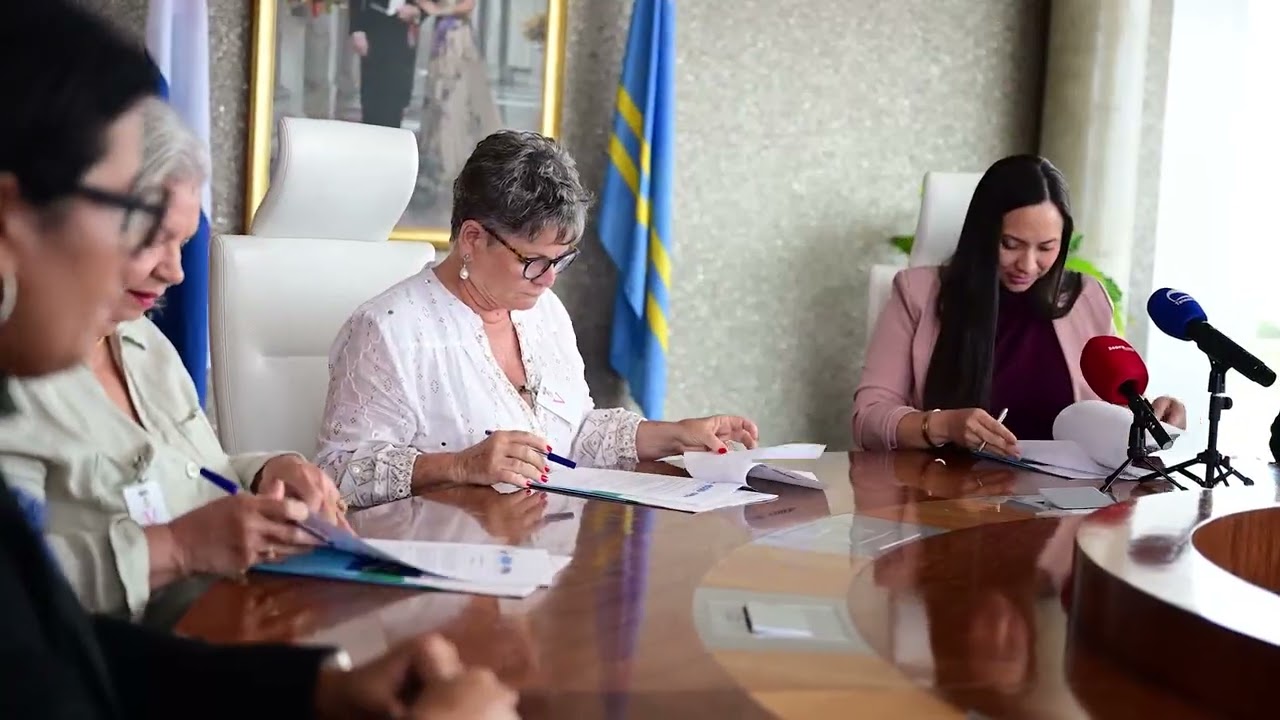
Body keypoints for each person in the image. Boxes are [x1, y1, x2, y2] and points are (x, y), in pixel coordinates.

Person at [0, 2, 516, 717]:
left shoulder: (141, 344)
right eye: (134, 221)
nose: (169, 271)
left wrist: (320, 690)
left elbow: (60, 646)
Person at [0, 99, 353, 623]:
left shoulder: (143, 340)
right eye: (153, 240)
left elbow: (197, 475)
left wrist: (267, 473)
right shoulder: (18, 370)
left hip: (248, 613)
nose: (175, 272)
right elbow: (17, 598)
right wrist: (176, 548)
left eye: (183, 244)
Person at [316, 130, 759, 507]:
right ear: (472, 238)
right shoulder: (388, 329)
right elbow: (338, 473)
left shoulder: (544, 313)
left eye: (560, 260)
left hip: (544, 546)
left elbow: (576, 435)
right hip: (439, 556)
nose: (549, 279)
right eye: (533, 261)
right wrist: (459, 466)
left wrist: (674, 435)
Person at [852, 155, 1186, 455]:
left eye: (1046, 248)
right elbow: (867, 418)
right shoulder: (917, 293)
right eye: (1010, 244)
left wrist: (1151, 416)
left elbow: (1114, 409)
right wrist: (943, 425)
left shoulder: (1087, 298)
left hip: (1063, 496)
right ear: (982, 234)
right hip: (948, 494)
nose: (1027, 265)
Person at [412, 0, 503, 208]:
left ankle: (458, 163)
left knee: (458, 99)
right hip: (442, 38)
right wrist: (431, 10)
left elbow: (468, 5)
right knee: (439, 100)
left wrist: (441, 11)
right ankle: (442, 162)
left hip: (458, 40)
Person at [349, 0, 425, 128]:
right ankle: (370, 131)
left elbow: (436, 5)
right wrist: (356, 28)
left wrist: (418, 11)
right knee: (371, 94)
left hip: (403, 26)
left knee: (396, 94)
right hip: (374, 22)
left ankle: (391, 132)